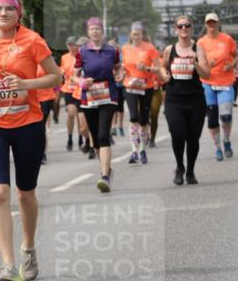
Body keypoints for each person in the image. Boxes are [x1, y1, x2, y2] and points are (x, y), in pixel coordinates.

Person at [0, 0, 60, 281]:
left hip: (28, 123)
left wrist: (26, 83)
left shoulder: (32, 40)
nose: (3, 14)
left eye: (9, 9)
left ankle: (28, 249)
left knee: (25, 193)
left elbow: (55, 77)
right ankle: (8, 265)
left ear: (18, 13)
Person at [158, 15, 210, 184]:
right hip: (174, 100)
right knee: (178, 134)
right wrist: (163, 74)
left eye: (187, 25)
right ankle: (180, 167)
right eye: (180, 26)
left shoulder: (198, 48)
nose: (183, 29)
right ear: (175, 29)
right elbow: (164, 69)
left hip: (195, 99)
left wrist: (195, 63)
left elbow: (206, 74)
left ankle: (191, 171)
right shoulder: (169, 49)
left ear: (192, 28)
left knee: (193, 137)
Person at [75, 18, 122, 193]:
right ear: (88, 32)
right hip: (89, 97)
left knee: (103, 135)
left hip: (108, 95)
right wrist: (81, 82)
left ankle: (104, 176)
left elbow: (118, 67)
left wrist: (119, 75)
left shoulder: (112, 51)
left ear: (103, 32)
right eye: (92, 29)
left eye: (98, 29)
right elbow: (74, 75)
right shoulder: (82, 52)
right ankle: (107, 169)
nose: (95, 31)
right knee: (95, 139)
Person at [197, 12, 236, 160]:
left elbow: (236, 55)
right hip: (207, 83)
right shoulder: (200, 43)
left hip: (225, 82)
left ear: (218, 24)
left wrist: (231, 64)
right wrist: (206, 64)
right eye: (209, 23)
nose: (211, 26)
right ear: (205, 25)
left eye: (214, 23)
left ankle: (226, 141)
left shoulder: (227, 40)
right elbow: (197, 62)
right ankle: (218, 147)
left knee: (226, 117)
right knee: (212, 119)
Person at [122, 22, 161, 164]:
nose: (136, 35)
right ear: (131, 34)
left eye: (139, 32)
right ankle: (134, 151)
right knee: (133, 117)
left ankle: (143, 149)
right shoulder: (125, 48)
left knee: (144, 119)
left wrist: (146, 68)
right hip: (130, 86)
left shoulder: (149, 48)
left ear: (143, 34)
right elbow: (123, 67)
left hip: (146, 86)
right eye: (134, 32)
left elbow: (159, 69)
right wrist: (121, 74)